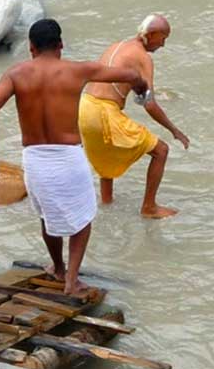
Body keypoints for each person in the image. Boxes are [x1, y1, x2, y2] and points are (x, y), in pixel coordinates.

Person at [0, 19, 148, 295]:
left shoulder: (15, 74)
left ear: (31, 48)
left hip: (34, 158)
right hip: (68, 158)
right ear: (60, 45)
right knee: (82, 222)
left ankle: (57, 267)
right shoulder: (78, 70)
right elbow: (128, 74)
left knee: (48, 217)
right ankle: (71, 279)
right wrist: (141, 86)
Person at [79, 14, 189, 219]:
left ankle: (107, 203)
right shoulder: (143, 57)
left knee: (106, 153)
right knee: (161, 151)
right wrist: (175, 130)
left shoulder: (116, 45)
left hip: (84, 108)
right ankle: (149, 207)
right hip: (103, 112)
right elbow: (149, 104)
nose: (163, 45)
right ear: (152, 34)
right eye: (163, 38)